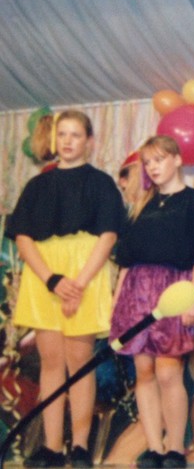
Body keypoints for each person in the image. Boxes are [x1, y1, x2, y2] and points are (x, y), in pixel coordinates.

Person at [6, 110, 124, 468]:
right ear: (54, 140)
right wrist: (52, 280)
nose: (68, 141)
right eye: (63, 134)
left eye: (76, 135)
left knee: (79, 362)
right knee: (52, 363)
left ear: (90, 141)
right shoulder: (37, 185)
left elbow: (108, 236)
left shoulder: (101, 183)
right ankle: (52, 447)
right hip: (45, 276)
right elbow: (22, 236)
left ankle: (81, 445)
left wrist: (79, 283)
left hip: (84, 275)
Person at [110, 136, 194, 469]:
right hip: (136, 292)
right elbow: (125, 261)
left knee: (169, 372)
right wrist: (117, 304)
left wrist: (192, 297)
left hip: (173, 290)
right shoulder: (142, 203)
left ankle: (175, 447)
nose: (153, 167)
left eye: (159, 159)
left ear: (177, 160)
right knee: (144, 373)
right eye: (148, 162)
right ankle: (154, 448)